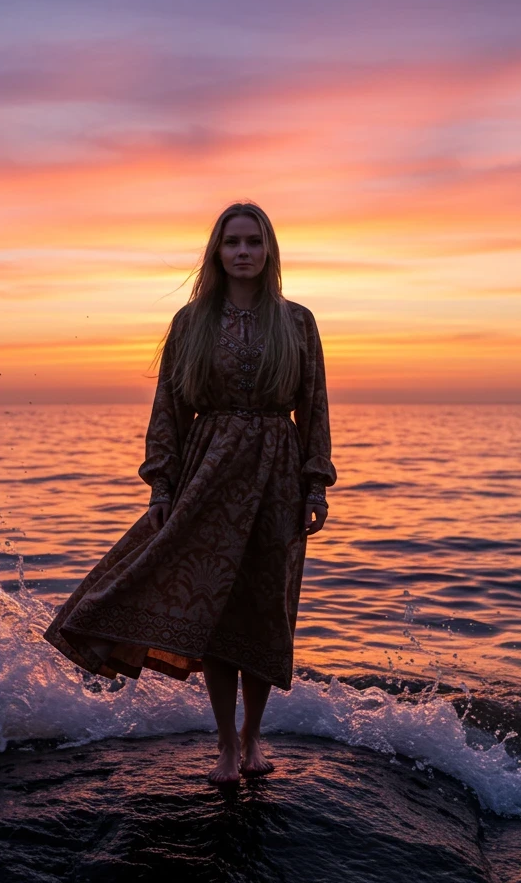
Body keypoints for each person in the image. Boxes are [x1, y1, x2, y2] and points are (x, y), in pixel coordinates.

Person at [42, 201, 336, 784]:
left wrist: (316, 485)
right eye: (233, 242)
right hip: (209, 473)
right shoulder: (191, 322)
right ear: (217, 251)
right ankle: (227, 744)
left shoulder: (297, 321)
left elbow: (316, 406)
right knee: (218, 611)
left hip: (278, 475)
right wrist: (162, 485)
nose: (244, 251)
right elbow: (169, 410)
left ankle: (254, 737)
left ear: (269, 250)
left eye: (254, 241)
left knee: (265, 611)